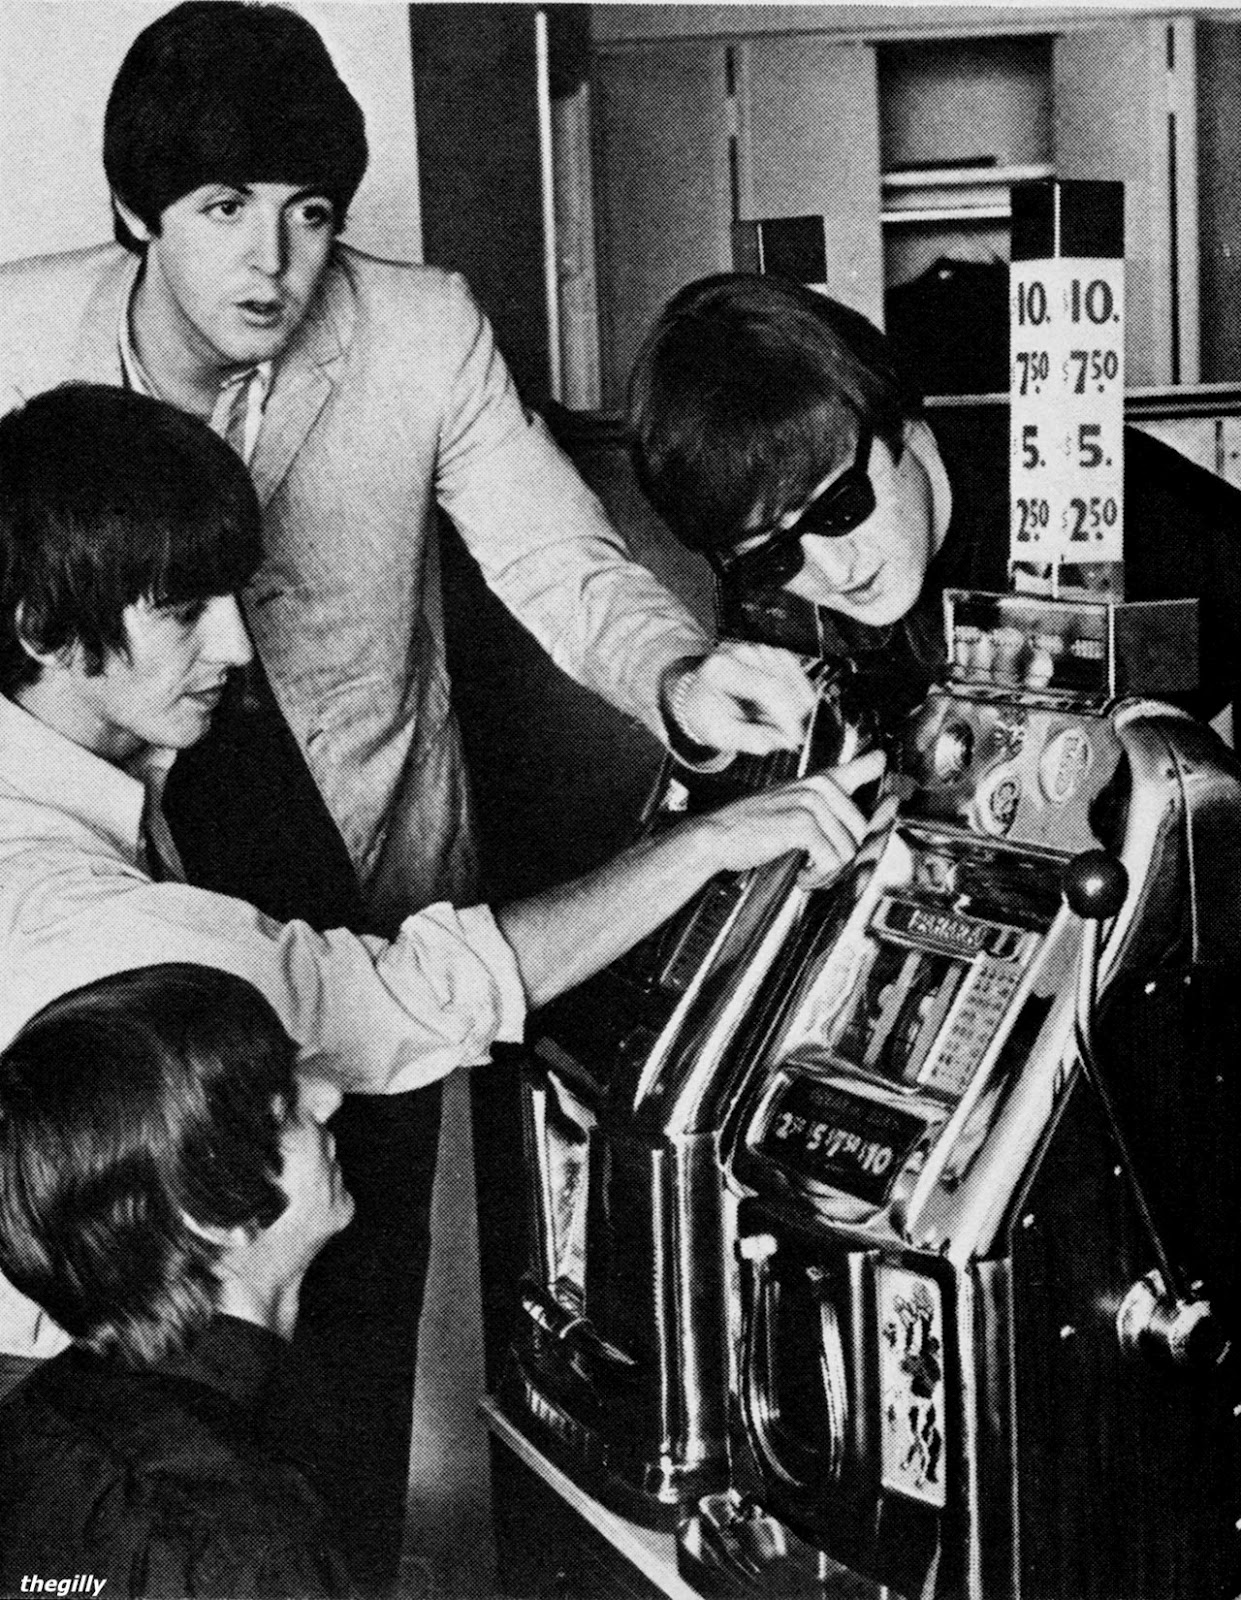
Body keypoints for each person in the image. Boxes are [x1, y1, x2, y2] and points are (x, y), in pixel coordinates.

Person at [0, 12, 820, 1582]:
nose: (273, 262)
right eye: (225, 210)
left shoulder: (420, 328)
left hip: (363, 883)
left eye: (310, 214)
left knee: (336, 1338)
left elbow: (559, 554)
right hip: (119, 914)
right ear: (135, 217)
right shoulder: (14, 347)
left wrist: (673, 677)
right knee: (113, 1391)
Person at [628, 271, 1241, 732]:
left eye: (840, 507)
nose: (834, 571)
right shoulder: (774, 599)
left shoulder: (1121, 512)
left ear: (904, 426)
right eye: (772, 556)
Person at [0, 964, 357, 1599]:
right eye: (284, 1110)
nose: (327, 1099)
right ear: (214, 1211)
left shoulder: (30, 1426)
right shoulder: (247, 1542)